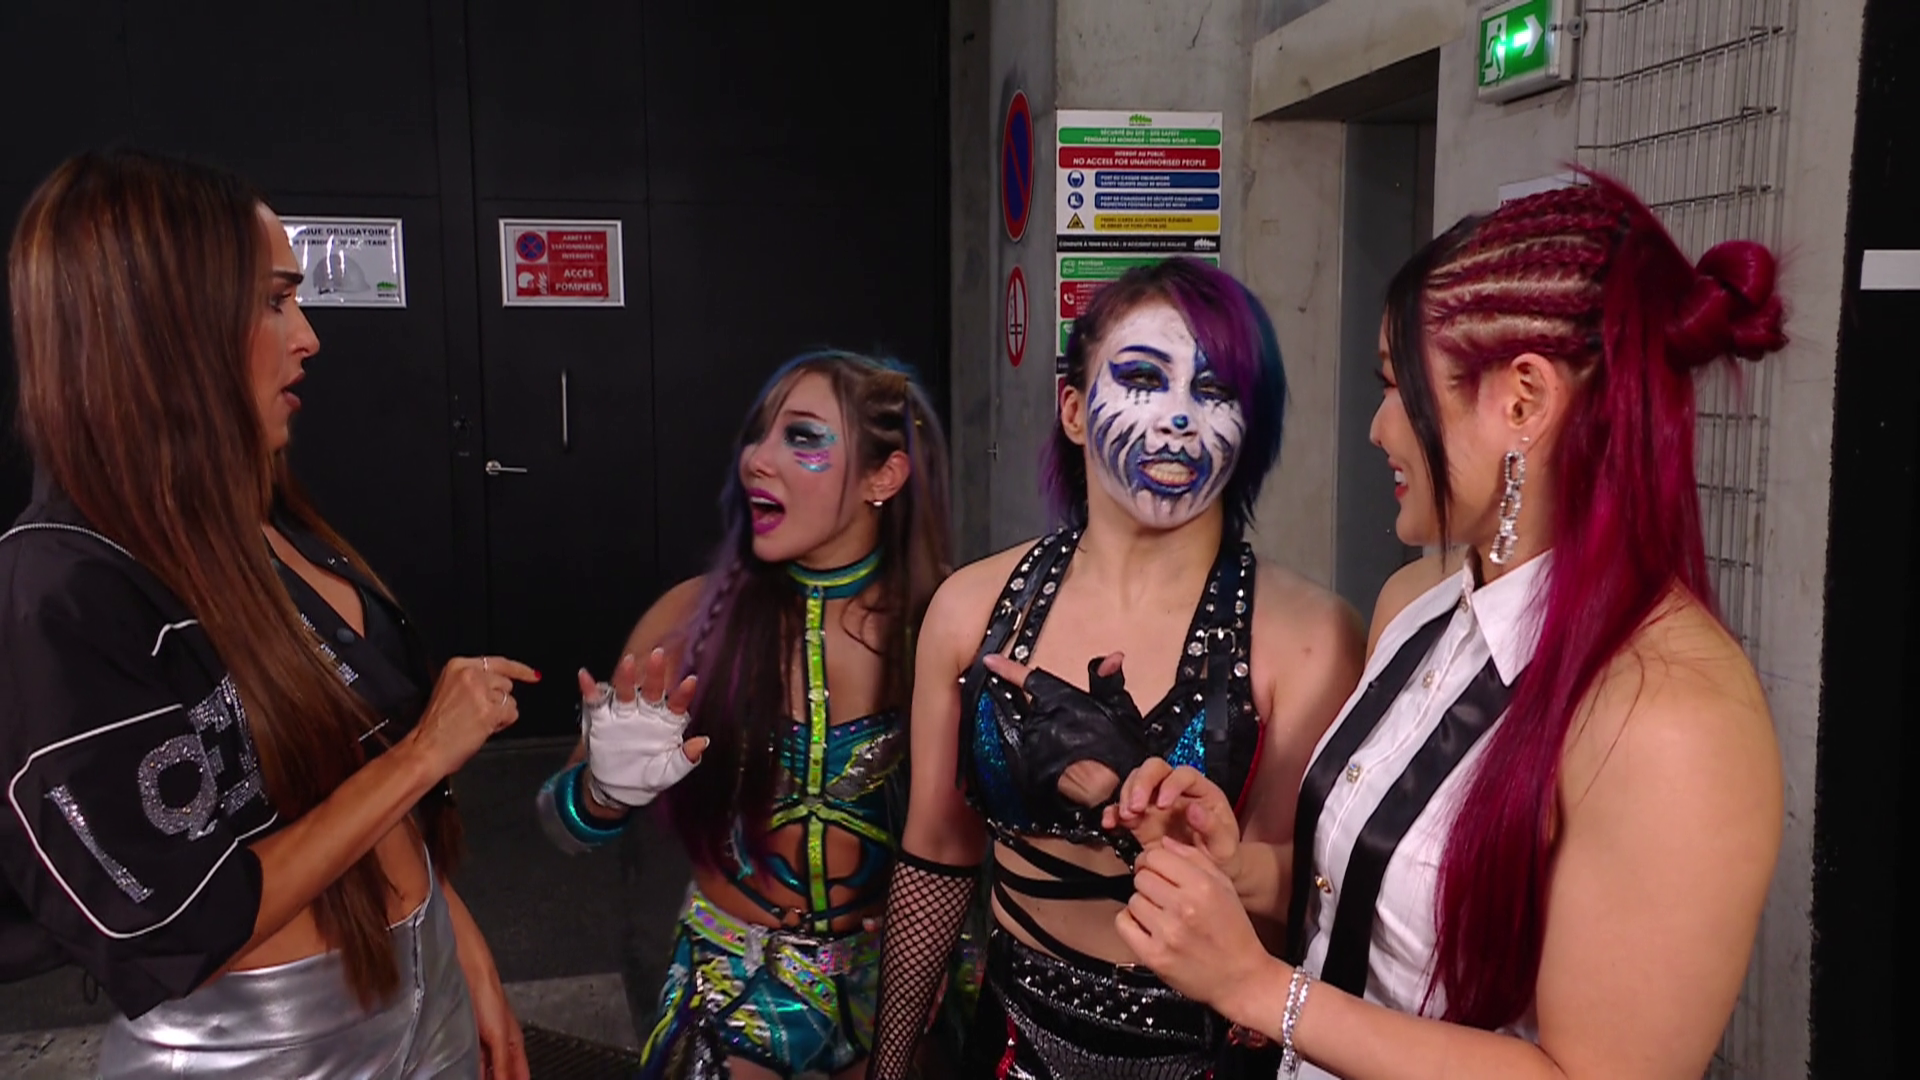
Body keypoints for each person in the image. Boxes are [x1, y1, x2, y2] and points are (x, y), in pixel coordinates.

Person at [1109, 173, 1788, 1079]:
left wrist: (1255, 988)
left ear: (1523, 402)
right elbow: (1394, 903)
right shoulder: (1418, 605)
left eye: (1398, 388)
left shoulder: (1671, 718)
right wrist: (1236, 873)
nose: (1379, 428)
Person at [0, 148, 536, 1078]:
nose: (309, 336)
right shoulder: (65, 591)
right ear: (165, 327)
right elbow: (182, 923)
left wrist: (457, 946)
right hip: (261, 1049)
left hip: (421, 991)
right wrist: (425, 755)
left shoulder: (257, 513)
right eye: (275, 301)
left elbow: (348, 772)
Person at [865, 257, 1364, 1079]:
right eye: (1142, 378)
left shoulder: (1309, 637)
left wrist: (1142, 800)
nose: (1179, 418)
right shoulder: (975, 608)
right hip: (1010, 1045)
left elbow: (1299, 904)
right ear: (1072, 409)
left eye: (1214, 390)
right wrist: (889, 1067)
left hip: (1203, 1056)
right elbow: (938, 851)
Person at [535, 351, 953, 1080]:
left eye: (803, 437)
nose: (757, 458)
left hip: (891, 986)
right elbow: (558, 824)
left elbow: (990, 828)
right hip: (730, 985)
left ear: (883, 477)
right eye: (760, 435)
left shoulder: (948, 622)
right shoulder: (691, 620)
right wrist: (602, 792)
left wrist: (939, 933)